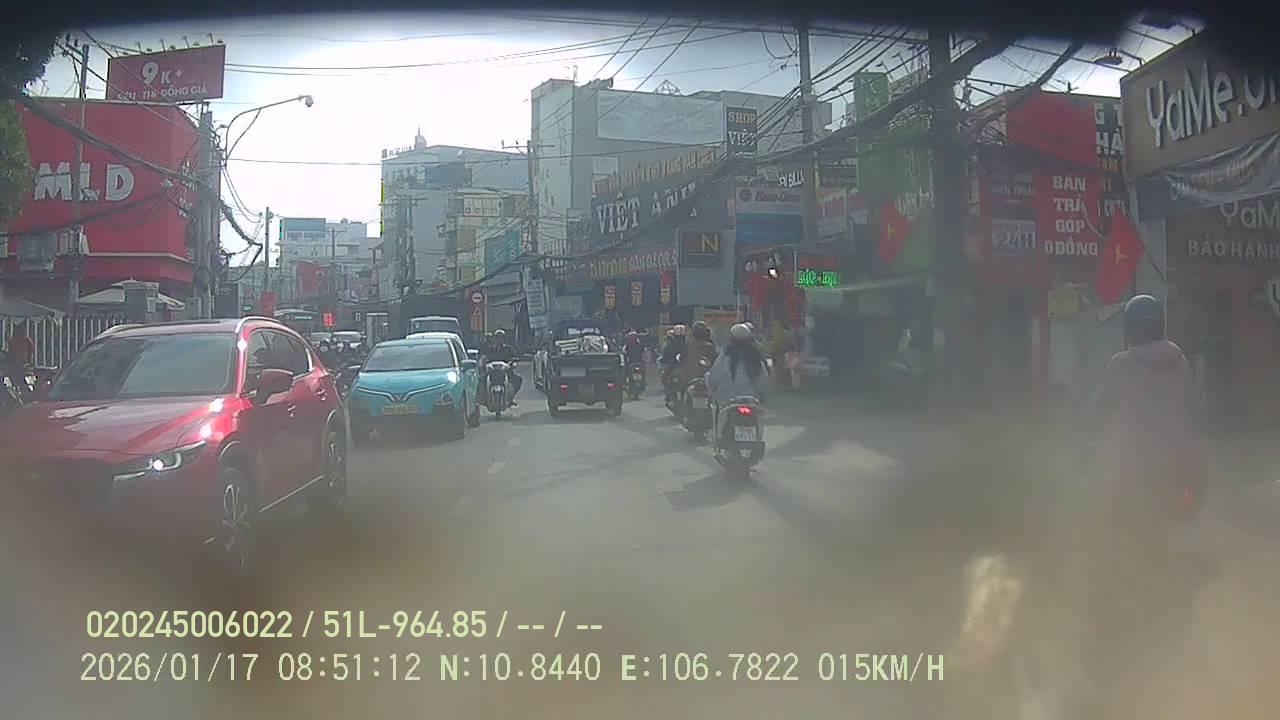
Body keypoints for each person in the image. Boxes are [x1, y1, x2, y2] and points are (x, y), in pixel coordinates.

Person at [1083, 295, 1204, 667]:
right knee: (1160, 533)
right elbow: (1193, 412)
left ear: (1130, 329)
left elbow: (1098, 412)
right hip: (1176, 472)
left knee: (1108, 530)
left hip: (1131, 472)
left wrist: (1082, 438)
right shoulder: (1182, 362)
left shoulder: (1121, 364)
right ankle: (1160, 600)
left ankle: (1109, 607)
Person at [705, 323, 766, 451]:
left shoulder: (726, 354)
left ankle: (718, 440)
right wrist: (761, 395)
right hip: (751, 398)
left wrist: (711, 389)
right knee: (758, 418)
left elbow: (715, 375)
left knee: (717, 415)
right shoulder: (756, 355)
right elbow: (763, 378)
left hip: (727, 398)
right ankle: (758, 439)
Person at [483, 329, 522, 405]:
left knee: (518, 379)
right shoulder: (491, 349)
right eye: (497, 338)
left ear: (504, 339)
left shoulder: (508, 349)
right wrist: (483, 362)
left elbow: (514, 357)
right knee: (481, 379)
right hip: (492, 372)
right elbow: (485, 357)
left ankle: (510, 397)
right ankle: (484, 399)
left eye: (501, 338)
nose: (499, 340)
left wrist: (512, 363)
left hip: (505, 371)